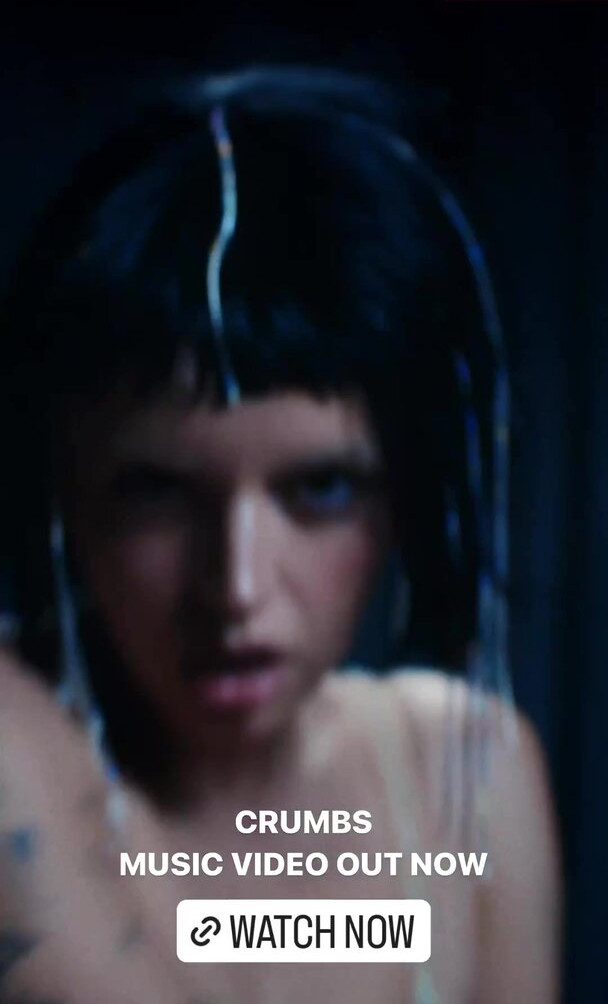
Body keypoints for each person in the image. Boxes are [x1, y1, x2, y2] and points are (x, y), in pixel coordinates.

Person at [0, 66, 561, 1004]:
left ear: (405, 491)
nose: (237, 588)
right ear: (64, 488)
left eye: (320, 489)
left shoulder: (464, 771)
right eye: (157, 493)